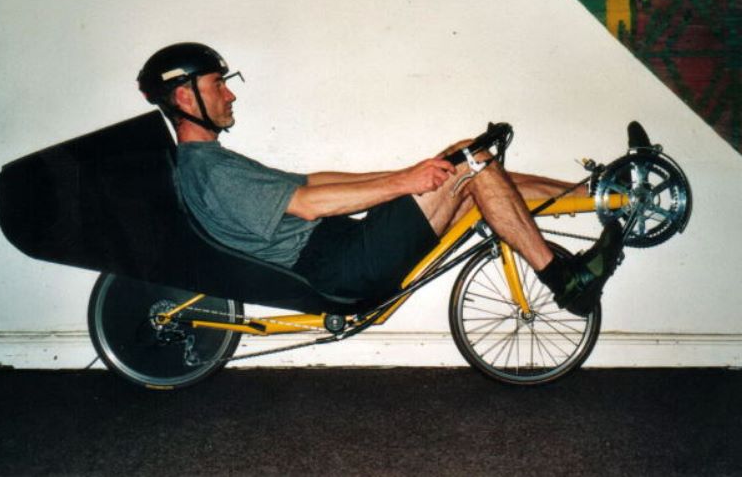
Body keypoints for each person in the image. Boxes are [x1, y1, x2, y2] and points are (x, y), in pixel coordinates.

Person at [137, 42, 623, 317]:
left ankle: (596, 195)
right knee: (470, 162)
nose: (230, 95)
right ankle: (565, 280)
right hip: (341, 268)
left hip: (346, 248)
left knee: (465, 164)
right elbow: (307, 204)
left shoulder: (214, 163)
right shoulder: (209, 171)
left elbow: (313, 181)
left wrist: (409, 172)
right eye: (218, 84)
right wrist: (406, 182)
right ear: (185, 97)